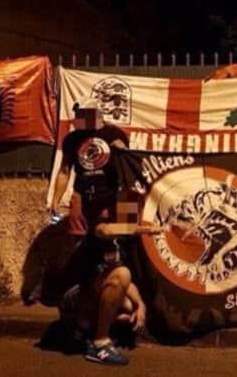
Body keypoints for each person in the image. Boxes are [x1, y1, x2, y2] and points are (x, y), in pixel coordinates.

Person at [50, 99, 146, 365]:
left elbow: (128, 171)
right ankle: (84, 320)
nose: (82, 120)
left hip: (116, 200)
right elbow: (65, 171)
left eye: (86, 115)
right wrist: (55, 201)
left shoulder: (114, 133)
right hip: (86, 203)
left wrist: (121, 151)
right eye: (79, 116)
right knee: (95, 257)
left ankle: (97, 322)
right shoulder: (72, 139)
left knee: (121, 253)